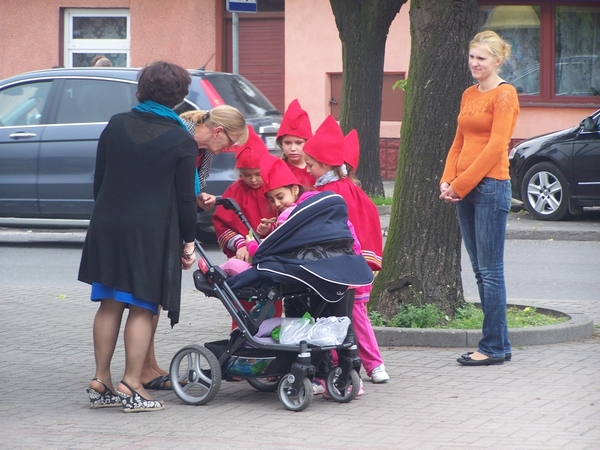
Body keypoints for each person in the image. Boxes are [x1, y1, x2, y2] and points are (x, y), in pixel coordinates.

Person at [78, 61, 199, 412]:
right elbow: (186, 199)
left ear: (141, 89)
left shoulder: (116, 124)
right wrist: (188, 242)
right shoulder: (181, 138)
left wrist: (108, 214)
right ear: (179, 96)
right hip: (149, 232)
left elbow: (99, 179)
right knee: (143, 306)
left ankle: (101, 380)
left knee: (109, 302)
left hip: (107, 224)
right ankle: (132, 384)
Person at [139, 105, 249, 391]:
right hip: (157, 221)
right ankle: (141, 369)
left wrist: (201, 198)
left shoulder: (205, 151)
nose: (228, 150)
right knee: (148, 300)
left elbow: (192, 189)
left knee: (155, 300)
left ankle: (147, 364)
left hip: (173, 220)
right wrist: (189, 238)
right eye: (230, 142)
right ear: (218, 131)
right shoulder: (180, 137)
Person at [439, 30, 520, 366]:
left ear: (498, 61)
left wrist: (461, 185)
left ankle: (491, 347)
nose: (474, 63)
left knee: (490, 271)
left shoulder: (505, 95)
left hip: (490, 187)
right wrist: (447, 179)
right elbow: (458, 141)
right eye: (472, 57)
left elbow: (496, 146)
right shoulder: (468, 94)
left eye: (481, 58)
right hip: (465, 188)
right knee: (480, 271)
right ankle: (499, 345)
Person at [302, 116, 390, 384]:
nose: (307, 170)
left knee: (354, 315)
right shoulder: (345, 188)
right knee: (346, 316)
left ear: (325, 164)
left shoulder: (333, 192)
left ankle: (373, 364)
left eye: (311, 165)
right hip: (354, 264)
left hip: (347, 266)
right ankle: (349, 365)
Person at [213, 127, 282, 322]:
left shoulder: (275, 189)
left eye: (257, 174)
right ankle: (242, 337)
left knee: (271, 304)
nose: (252, 179)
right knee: (242, 305)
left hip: (270, 258)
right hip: (242, 258)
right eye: (246, 174)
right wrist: (240, 243)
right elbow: (222, 224)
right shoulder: (234, 191)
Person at [276, 99, 315, 188]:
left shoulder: (317, 169)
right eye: (287, 143)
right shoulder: (279, 169)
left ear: (307, 142)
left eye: (298, 143)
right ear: (281, 143)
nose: (293, 148)